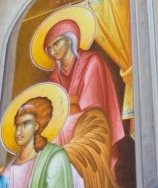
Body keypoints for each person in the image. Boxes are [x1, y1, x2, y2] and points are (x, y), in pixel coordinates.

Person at [38, 9, 124, 145]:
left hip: (90, 124)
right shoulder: (55, 76)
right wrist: (69, 102)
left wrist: (65, 105)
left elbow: (92, 108)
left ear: (69, 40)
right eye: (49, 48)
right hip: (68, 122)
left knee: (57, 130)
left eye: (56, 44)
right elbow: (51, 108)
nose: (53, 52)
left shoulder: (92, 62)